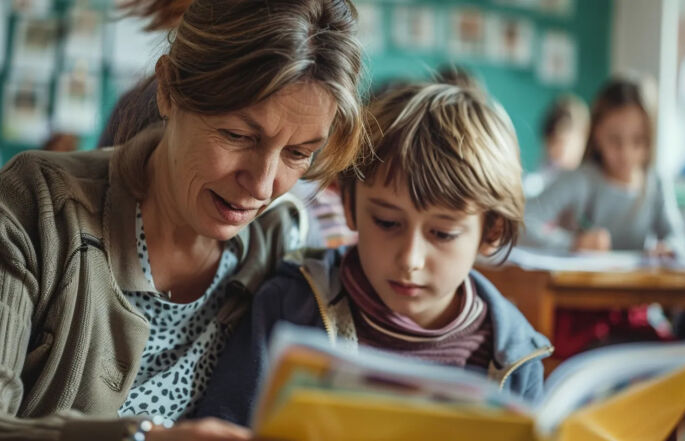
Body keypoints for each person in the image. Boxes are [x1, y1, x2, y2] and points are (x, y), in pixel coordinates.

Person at [0, 0, 365, 439]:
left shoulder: (280, 239)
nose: (263, 186)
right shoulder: (35, 206)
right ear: (168, 88)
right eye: (238, 135)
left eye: (298, 153)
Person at [196, 82, 554, 426]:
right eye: (386, 222)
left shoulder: (516, 355)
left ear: (491, 232)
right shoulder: (290, 306)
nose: (410, 259)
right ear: (349, 204)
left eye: (442, 233)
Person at [522, 78, 685, 254]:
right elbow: (520, 224)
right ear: (596, 134)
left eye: (638, 141)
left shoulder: (656, 185)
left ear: (651, 140)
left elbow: (680, 240)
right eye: (615, 140)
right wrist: (574, 243)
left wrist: (670, 248)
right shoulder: (580, 180)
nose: (626, 153)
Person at [523, 95, 589, 197]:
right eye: (555, 143)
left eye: (566, 144)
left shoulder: (590, 184)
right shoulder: (537, 183)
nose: (561, 153)